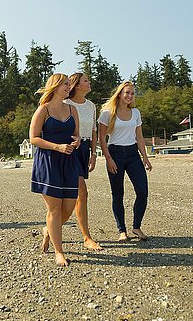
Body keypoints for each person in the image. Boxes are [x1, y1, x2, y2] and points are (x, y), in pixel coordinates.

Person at [30, 74, 82, 266]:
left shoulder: (72, 109)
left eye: (69, 84)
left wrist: (77, 141)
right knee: (54, 208)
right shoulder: (43, 110)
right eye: (65, 84)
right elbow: (33, 138)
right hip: (49, 161)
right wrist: (56, 146)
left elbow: (76, 134)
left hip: (69, 160)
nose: (69, 87)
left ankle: (48, 231)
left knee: (68, 207)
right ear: (55, 86)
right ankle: (58, 251)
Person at [98, 81, 152, 243]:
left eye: (132, 94)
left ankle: (136, 227)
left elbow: (139, 137)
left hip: (132, 154)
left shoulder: (135, 113)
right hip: (115, 153)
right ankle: (122, 231)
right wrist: (108, 159)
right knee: (118, 194)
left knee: (142, 191)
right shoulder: (108, 113)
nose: (129, 96)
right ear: (120, 94)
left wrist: (145, 157)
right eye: (127, 93)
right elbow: (101, 138)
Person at [64, 72, 102, 251]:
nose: (89, 82)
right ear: (77, 85)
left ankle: (50, 228)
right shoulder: (66, 104)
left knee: (74, 196)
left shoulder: (92, 106)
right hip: (69, 149)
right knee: (81, 193)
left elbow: (94, 131)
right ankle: (86, 237)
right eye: (86, 80)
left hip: (85, 149)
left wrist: (94, 154)